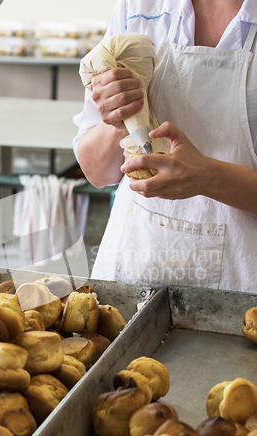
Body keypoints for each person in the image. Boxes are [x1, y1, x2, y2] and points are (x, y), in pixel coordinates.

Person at [72, 0, 257, 293]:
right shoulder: (138, 6)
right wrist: (118, 116)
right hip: (133, 272)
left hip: (243, 289)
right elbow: (97, 172)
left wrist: (208, 178)